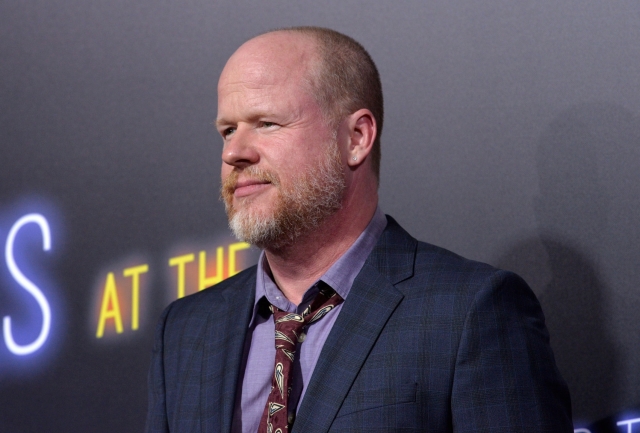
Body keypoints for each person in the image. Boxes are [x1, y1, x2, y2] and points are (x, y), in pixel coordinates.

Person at [145, 26, 572, 433]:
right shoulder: (185, 330)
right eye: (227, 130)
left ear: (356, 138)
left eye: (267, 123)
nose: (234, 152)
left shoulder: (468, 313)